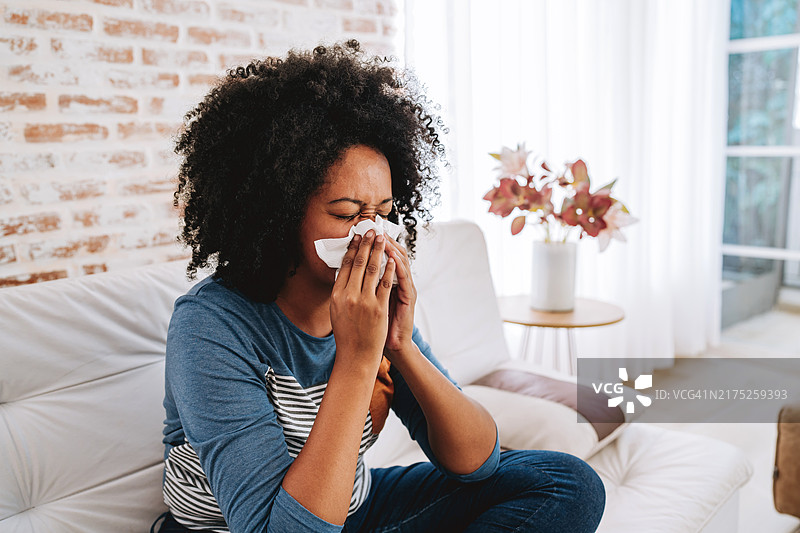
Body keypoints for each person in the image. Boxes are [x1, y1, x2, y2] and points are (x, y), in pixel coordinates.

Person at [154, 40, 606, 533]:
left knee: (568, 483)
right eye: (347, 214)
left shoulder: (373, 306)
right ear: (278, 215)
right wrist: (355, 362)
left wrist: (401, 346)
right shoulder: (211, 326)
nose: (370, 234)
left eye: (384, 214)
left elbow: (477, 461)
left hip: (355, 510)